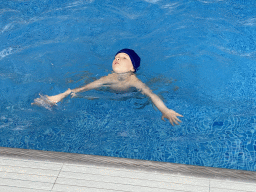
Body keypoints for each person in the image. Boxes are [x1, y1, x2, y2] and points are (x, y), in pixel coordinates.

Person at [32, 48, 183, 125]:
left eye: (124, 58)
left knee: (153, 93)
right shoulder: (107, 78)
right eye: (116, 57)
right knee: (88, 82)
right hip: (109, 90)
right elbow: (83, 88)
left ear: (132, 68)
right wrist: (61, 95)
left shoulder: (135, 82)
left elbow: (152, 95)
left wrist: (165, 110)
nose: (118, 58)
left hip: (132, 94)